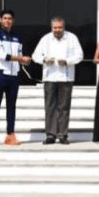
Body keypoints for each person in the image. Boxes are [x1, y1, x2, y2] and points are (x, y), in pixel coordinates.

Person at [31, 16, 84, 145]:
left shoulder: (72, 38)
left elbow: (79, 55)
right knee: (50, 107)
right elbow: (35, 55)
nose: (57, 30)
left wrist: (67, 61)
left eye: (60, 27)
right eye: (55, 27)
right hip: (49, 77)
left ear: (64, 27)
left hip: (66, 77)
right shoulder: (46, 39)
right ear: (51, 27)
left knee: (64, 107)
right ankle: (50, 135)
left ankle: (63, 134)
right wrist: (44, 60)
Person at [0, 9, 32, 146]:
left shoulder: (18, 36)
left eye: (10, 18)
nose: (7, 20)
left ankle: (10, 135)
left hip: (14, 76)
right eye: (5, 18)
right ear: (0, 20)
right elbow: (2, 55)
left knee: (11, 106)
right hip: (0, 74)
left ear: (13, 20)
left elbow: (20, 55)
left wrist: (24, 61)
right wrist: (20, 58)